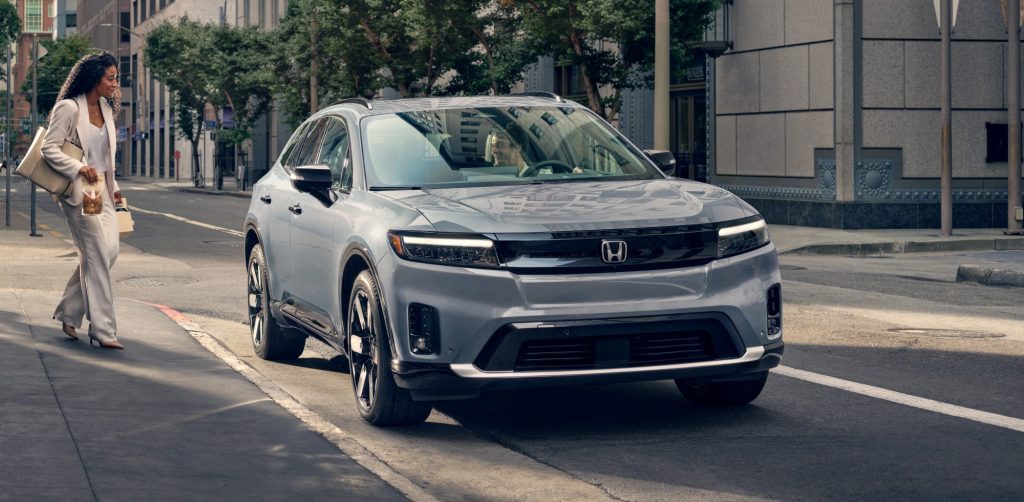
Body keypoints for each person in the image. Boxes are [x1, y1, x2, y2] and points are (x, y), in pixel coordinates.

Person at [42, 52, 124, 350]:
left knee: (108, 252)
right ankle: (103, 330)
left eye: (116, 78)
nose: (116, 84)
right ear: (94, 79)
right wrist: (79, 168)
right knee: (97, 254)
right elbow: (49, 149)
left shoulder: (106, 108)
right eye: (111, 78)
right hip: (81, 187)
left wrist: (113, 188)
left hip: (99, 188)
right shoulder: (68, 108)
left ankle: (69, 311)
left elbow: (105, 156)